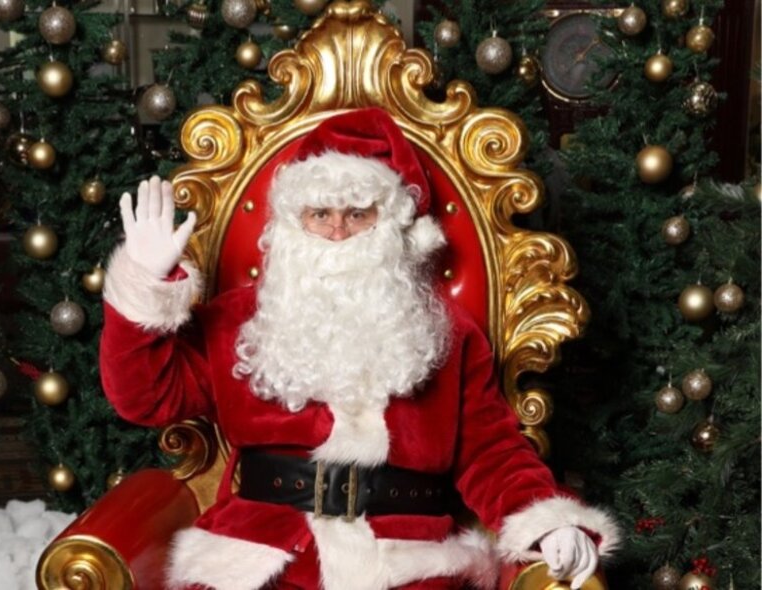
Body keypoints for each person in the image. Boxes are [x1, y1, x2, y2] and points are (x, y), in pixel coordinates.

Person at [100, 108, 619, 590]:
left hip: (406, 563)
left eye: (358, 214)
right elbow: (145, 398)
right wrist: (145, 284)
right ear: (292, 223)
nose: (337, 232)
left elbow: (492, 451)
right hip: (258, 553)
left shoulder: (448, 332)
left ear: (392, 225)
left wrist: (546, 523)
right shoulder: (238, 319)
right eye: (319, 214)